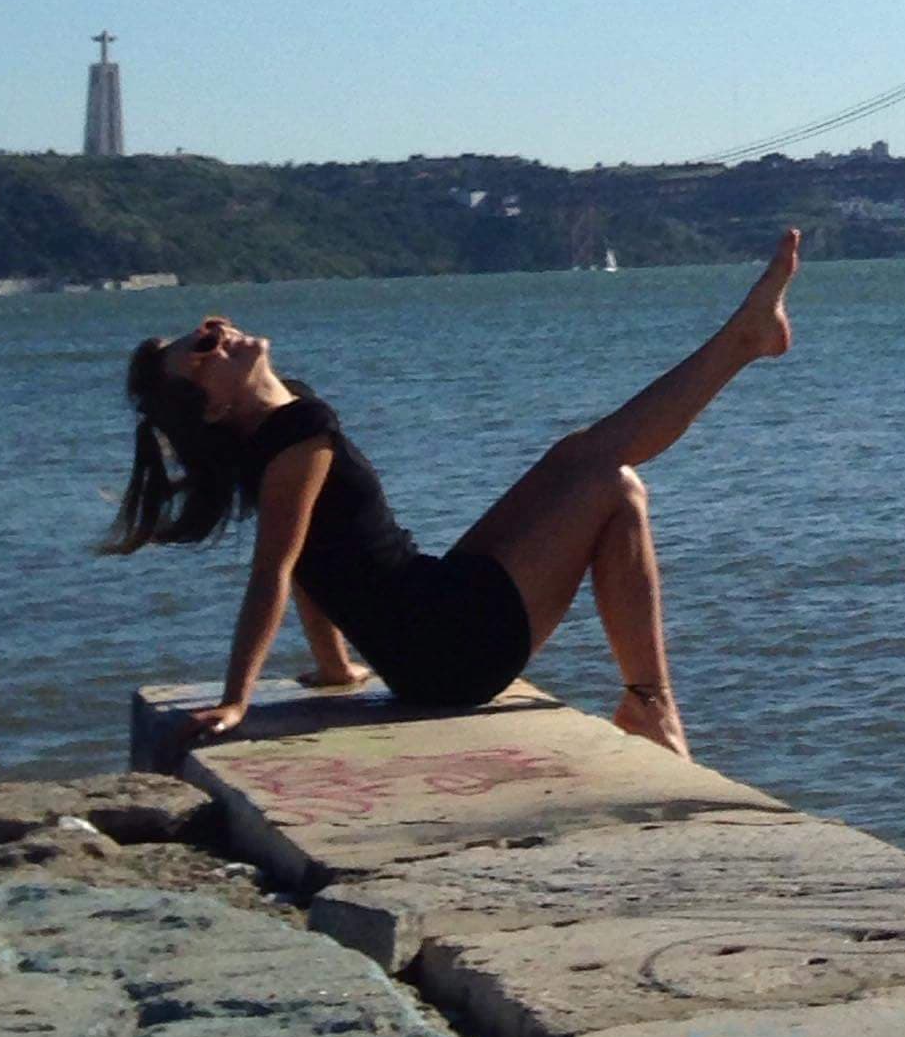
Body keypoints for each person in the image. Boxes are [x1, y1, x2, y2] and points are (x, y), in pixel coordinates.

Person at [104, 230, 799, 754]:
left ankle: (648, 704)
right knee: (608, 476)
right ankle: (739, 343)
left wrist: (334, 666)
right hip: (450, 651)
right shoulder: (295, 437)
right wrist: (238, 700)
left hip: (434, 623)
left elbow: (314, 557)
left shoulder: (284, 430)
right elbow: (275, 573)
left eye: (210, 325)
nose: (219, 332)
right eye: (203, 349)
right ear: (214, 407)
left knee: (592, 467)